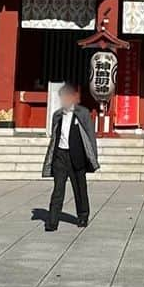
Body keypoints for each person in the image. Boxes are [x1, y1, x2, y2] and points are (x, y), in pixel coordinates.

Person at [41, 81, 99, 229]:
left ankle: (83, 216)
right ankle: (52, 221)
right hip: (60, 156)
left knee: (80, 188)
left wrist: (93, 157)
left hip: (77, 156)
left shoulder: (83, 114)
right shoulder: (57, 115)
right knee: (58, 189)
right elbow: (54, 136)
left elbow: (90, 136)